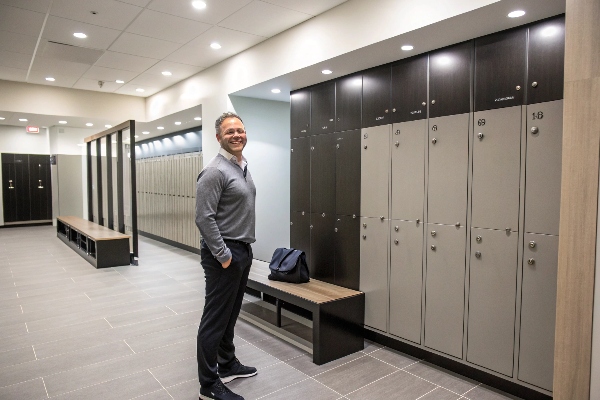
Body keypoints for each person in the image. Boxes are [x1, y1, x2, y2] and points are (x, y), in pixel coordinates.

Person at [195, 112, 257, 400]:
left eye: (240, 130)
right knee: (215, 320)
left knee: (230, 316)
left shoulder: (241, 167)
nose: (236, 135)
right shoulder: (215, 171)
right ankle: (209, 385)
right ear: (219, 137)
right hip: (225, 254)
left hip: (241, 250)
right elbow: (203, 218)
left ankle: (227, 362)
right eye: (229, 131)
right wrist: (223, 255)